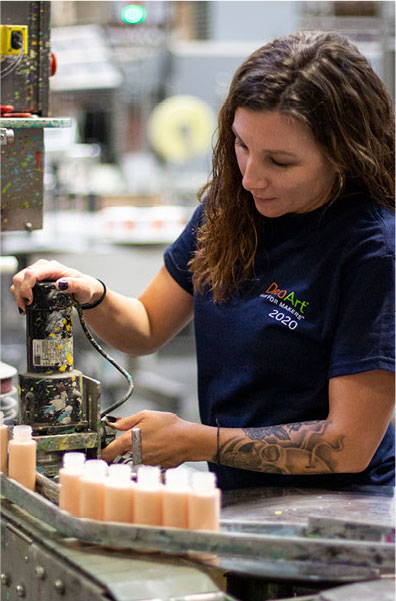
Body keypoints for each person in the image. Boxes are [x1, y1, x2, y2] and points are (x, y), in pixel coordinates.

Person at [11, 31, 394, 491]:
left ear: (344, 154)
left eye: (281, 162)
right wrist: (90, 293)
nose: (252, 177)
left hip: (338, 517)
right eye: (242, 145)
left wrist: (196, 441)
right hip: (240, 501)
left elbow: (348, 444)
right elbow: (147, 326)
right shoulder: (230, 208)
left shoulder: (372, 252)